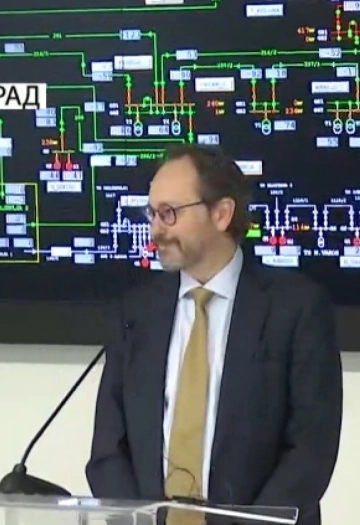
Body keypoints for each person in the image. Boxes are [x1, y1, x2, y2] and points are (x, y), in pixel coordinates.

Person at [86, 144, 343, 525]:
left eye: (170, 213)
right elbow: (109, 449)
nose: (156, 230)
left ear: (222, 214)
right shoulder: (136, 312)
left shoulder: (296, 309)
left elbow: (310, 453)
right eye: (152, 213)